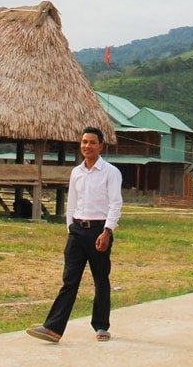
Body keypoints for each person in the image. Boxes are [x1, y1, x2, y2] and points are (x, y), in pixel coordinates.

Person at [27, 126, 123, 343]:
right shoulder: (76, 172)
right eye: (84, 142)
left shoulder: (110, 172)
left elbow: (115, 204)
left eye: (91, 142)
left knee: (100, 279)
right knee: (69, 281)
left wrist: (107, 231)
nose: (87, 146)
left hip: (100, 231)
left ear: (100, 146)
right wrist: (70, 227)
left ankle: (101, 326)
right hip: (77, 231)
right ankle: (53, 329)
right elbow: (72, 203)